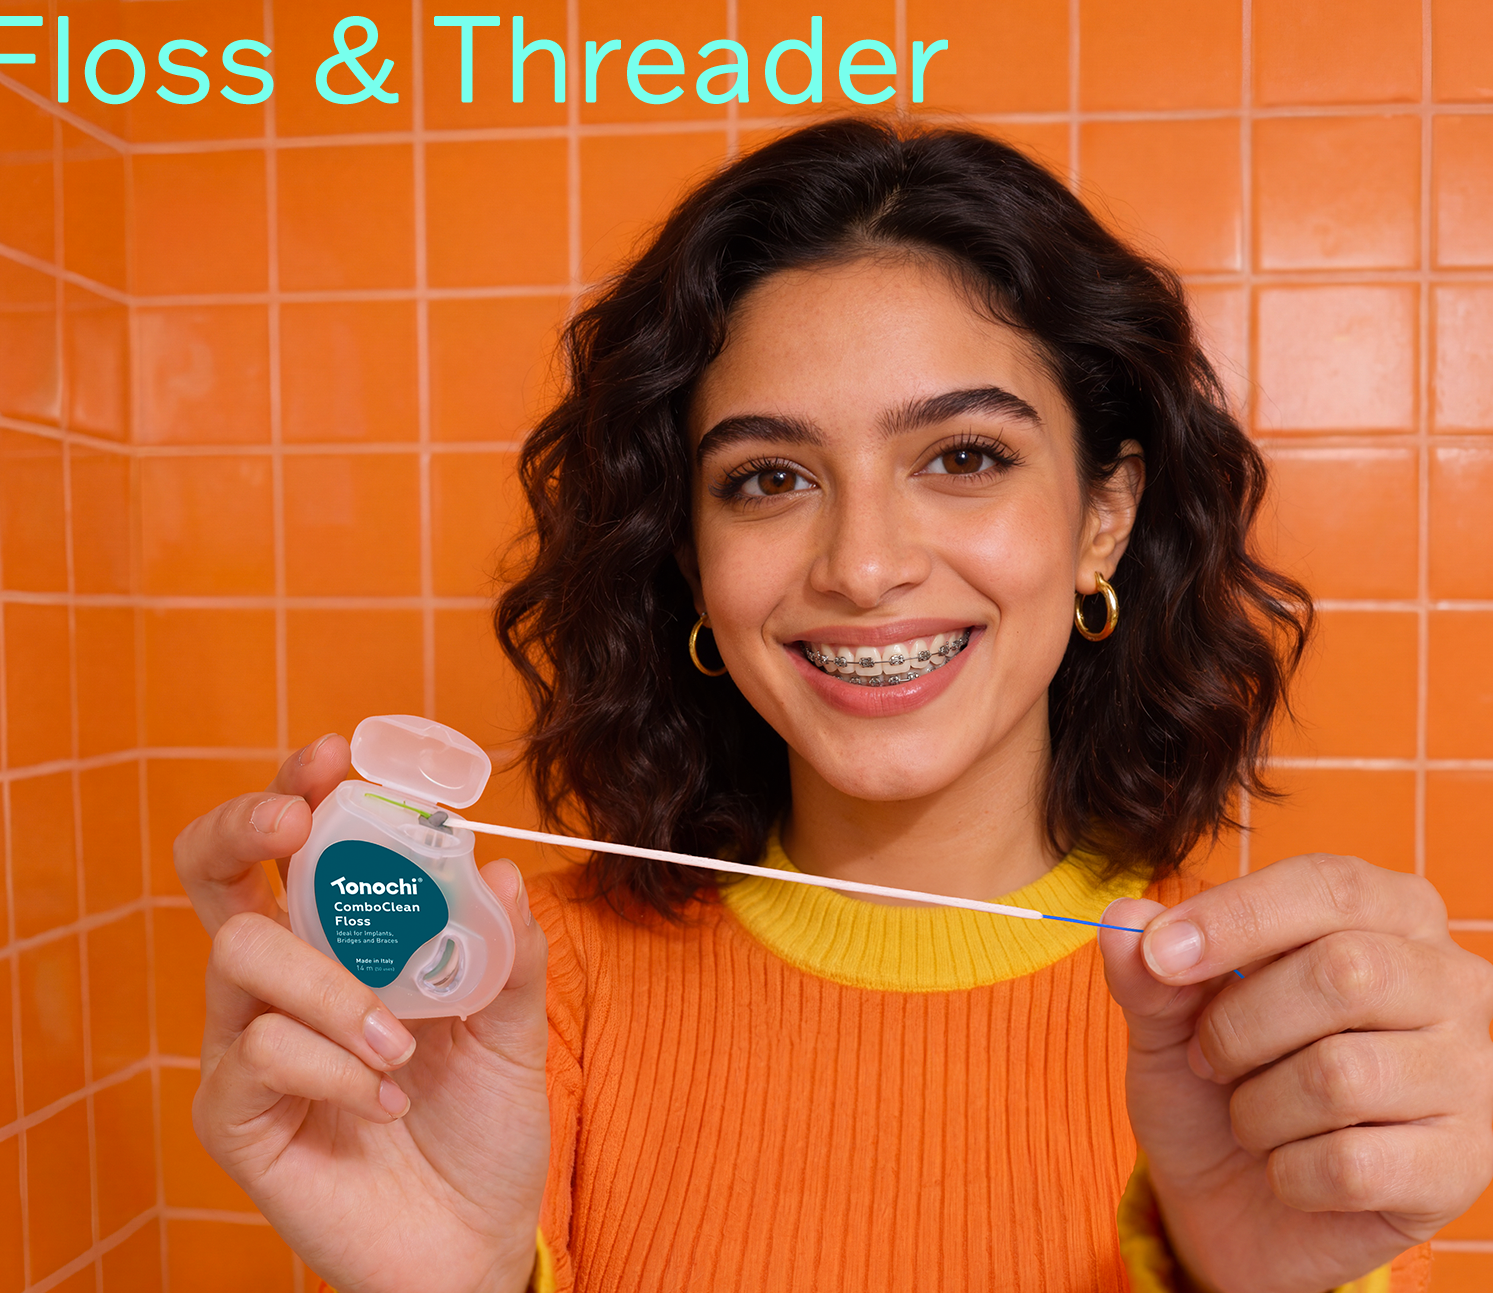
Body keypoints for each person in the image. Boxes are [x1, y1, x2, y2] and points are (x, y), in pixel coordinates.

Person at [174, 120, 1493, 1293]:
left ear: (1105, 518)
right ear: (688, 551)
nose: (863, 565)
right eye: (768, 478)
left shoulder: (1269, 1045)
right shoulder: (504, 1008)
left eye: (965, 457)